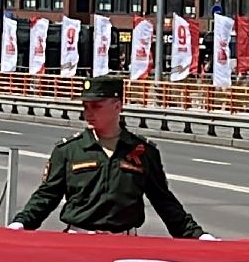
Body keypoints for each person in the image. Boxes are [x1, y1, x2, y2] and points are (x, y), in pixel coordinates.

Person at [11, 75, 214, 238]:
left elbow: (164, 201)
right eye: (85, 107)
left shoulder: (143, 151)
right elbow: (47, 196)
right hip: (78, 241)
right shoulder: (69, 151)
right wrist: (20, 224)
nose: (88, 113)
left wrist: (197, 236)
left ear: (117, 106)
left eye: (97, 106)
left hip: (124, 246)